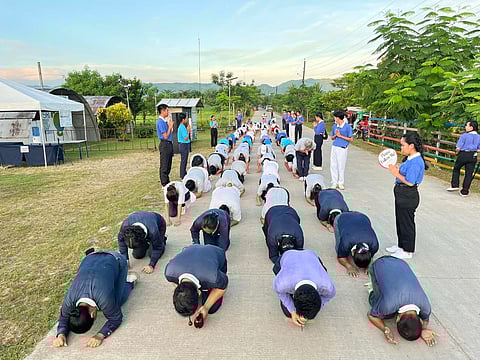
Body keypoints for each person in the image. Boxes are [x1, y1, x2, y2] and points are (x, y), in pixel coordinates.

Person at [53, 251, 137, 348]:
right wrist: (61, 334)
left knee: (117, 303)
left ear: (93, 314)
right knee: (110, 303)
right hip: (90, 258)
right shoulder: (69, 300)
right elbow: (64, 317)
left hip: (116, 259)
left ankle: (130, 281)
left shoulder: (104, 299)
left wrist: (100, 335)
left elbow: (116, 318)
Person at [366, 256, 437, 346]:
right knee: (380, 308)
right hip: (379, 264)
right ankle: (372, 289)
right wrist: (384, 329)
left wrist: (423, 329)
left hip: (400, 262)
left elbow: (425, 320)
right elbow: (371, 315)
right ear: (397, 319)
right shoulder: (389, 305)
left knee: (387, 309)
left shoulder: (426, 307)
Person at [386, 132, 428, 259]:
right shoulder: (410, 158)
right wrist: (399, 170)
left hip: (408, 194)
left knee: (406, 223)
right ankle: (401, 245)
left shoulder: (416, 161)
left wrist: (395, 173)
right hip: (401, 193)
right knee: (400, 220)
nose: (401, 148)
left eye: (403, 145)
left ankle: (407, 250)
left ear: (411, 146)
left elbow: (410, 181)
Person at [164, 244, 228, 328]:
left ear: (199, 292)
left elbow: (223, 286)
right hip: (191, 249)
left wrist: (206, 307)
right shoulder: (169, 273)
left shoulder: (213, 277)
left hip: (215, 252)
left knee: (212, 309)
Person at [273, 249, 336, 328]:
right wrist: (292, 311)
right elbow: (280, 292)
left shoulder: (327, 286)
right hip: (288, 255)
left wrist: (319, 306)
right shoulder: (282, 283)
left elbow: (329, 295)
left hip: (311, 255)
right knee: (287, 312)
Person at [333, 211, 379, 277]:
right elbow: (341, 257)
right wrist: (349, 266)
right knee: (339, 250)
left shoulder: (375, 245)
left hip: (362, 217)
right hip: (342, 217)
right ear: (353, 253)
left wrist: (369, 266)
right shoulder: (346, 243)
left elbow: (371, 257)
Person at [447, 120, 480, 196]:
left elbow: (458, 147)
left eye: (467, 125)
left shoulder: (464, 135)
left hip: (463, 154)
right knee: (469, 173)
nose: (465, 127)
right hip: (473, 155)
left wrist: (457, 153)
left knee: (456, 168)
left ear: (471, 127)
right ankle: (465, 191)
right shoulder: (479, 137)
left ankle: (455, 185)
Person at [330, 110, 353, 190]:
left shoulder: (347, 127)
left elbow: (351, 139)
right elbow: (332, 137)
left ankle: (341, 182)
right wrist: (335, 135)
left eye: (335, 117)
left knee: (341, 166)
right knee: (333, 165)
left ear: (338, 118)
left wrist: (340, 136)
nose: (334, 119)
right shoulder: (335, 126)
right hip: (335, 147)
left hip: (342, 148)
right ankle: (334, 182)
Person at [156, 104, 174, 186]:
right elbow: (165, 136)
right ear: (162, 111)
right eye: (167, 110)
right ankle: (164, 183)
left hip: (169, 144)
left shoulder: (164, 121)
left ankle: (167, 180)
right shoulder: (160, 122)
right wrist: (170, 127)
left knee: (168, 164)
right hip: (165, 144)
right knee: (164, 164)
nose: (168, 112)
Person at [177, 112, 191, 179]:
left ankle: (184, 172)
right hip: (183, 145)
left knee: (184, 160)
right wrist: (188, 131)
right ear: (183, 119)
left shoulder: (182, 126)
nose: (187, 119)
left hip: (184, 145)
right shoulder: (182, 127)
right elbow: (185, 138)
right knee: (184, 160)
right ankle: (182, 175)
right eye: (186, 118)